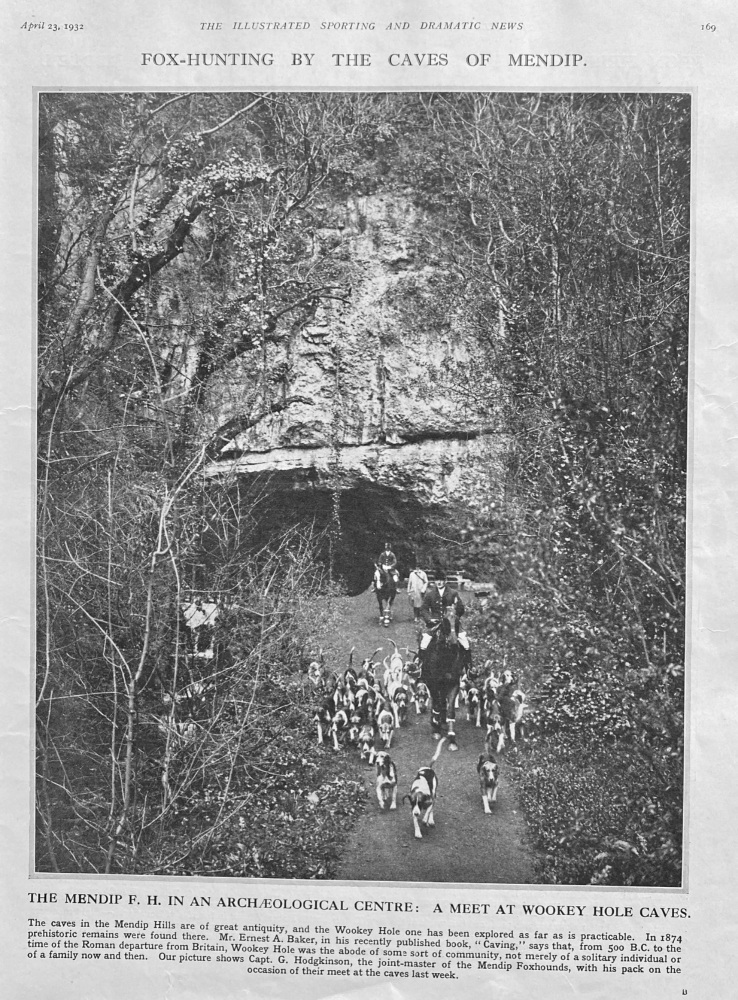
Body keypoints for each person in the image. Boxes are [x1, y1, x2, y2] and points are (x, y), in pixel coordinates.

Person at [418, 567, 471, 666]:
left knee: (464, 641)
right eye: (437, 580)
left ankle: (469, 668)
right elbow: (423, 609)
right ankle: (419, 666)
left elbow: (461, 609)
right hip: (435, 623)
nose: (439, 582)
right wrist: (429, 619)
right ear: (435, 581)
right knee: (424, 642)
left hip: (451, 624)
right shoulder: (430, 594)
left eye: (441, 580)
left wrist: (456, 612)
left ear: (445, 581)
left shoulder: (453, 593)